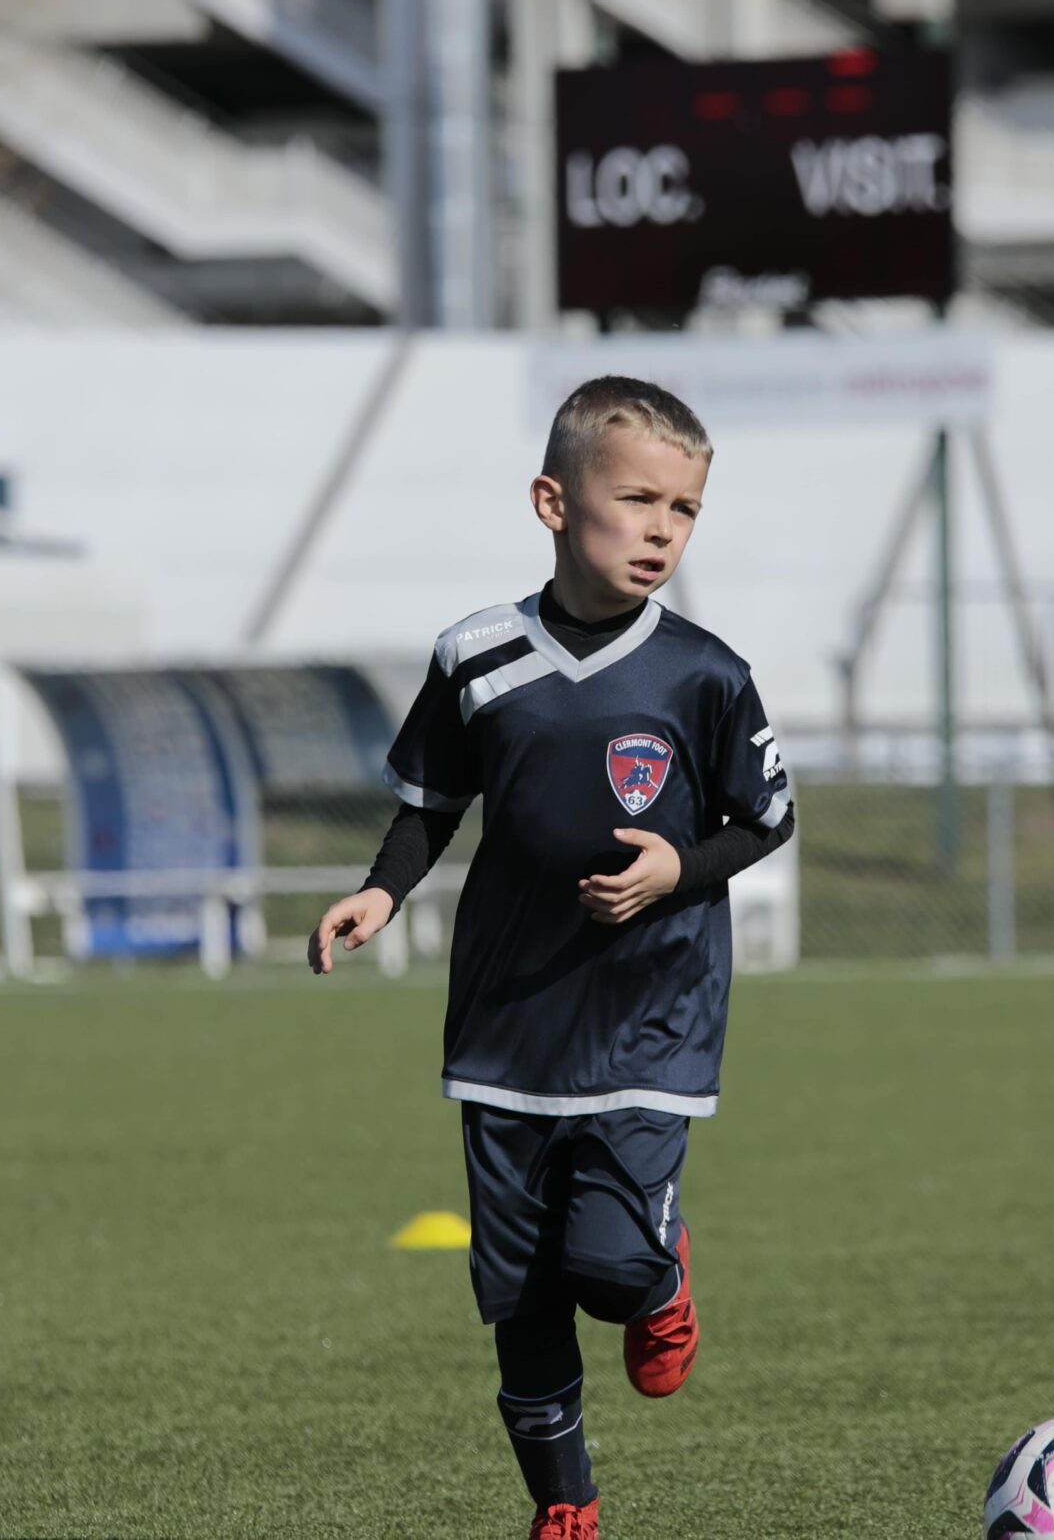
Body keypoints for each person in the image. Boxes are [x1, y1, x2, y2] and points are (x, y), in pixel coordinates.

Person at [308, 377, 795, 1540]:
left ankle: (659, 1276)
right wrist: (380, 890)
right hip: (509, 1017)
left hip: (650, 1012)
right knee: (522, 1297)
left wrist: (677, 870)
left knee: (608, 1271)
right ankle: (565, 1508)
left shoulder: (705, 673)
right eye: (638, 500)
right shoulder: (475, 656)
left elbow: (766, 817)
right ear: (553, 501)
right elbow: (431, 803)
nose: (662, 530)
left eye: (684, 509)